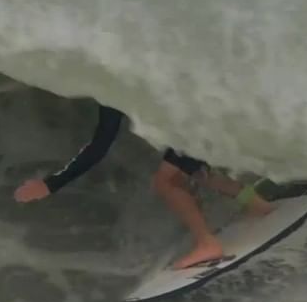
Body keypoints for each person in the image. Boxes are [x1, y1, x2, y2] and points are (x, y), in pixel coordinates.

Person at [14, 104, 272, 269]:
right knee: (196, 173)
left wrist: (52, 183)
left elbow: (99, 146)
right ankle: (256, 204)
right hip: (203, 113)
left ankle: (207, 243)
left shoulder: (114, 80)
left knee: (166, 181)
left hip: (196, 120)